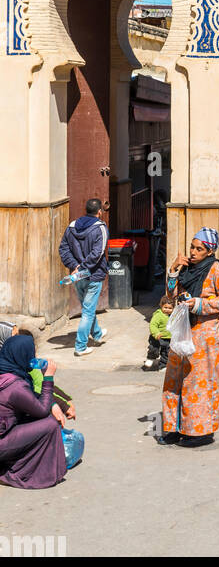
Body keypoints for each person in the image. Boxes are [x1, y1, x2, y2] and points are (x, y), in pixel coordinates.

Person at [161, 229, 219, 448]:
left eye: (198, 249)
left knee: (199, 383)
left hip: (206, 332)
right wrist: (173, 271)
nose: (192, 252)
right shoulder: (186, 270)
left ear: (209, 250)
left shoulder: (216, 269)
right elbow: (171, 295)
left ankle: (199, 432)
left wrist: (200, 304)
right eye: (192, 247)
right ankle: (173, 427)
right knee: (173, 380)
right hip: (184, 331)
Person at [0, 334, 67, 489]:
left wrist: (53, 404)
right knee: (50, 424)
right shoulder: (14, 385)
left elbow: (31, 401)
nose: (34, 358)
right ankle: (15, 473)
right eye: (32, 354)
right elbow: (42, 410)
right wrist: (48, 378)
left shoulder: (6, 373)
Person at [58, 196, 109, 357]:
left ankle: (98, 334)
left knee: (87, 308)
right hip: (92, 275)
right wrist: (82, 267)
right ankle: (80, 346)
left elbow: (63, 249)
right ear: (99, 212)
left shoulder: (71, 226)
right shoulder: (100, 228)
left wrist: (75, 267)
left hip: (76, 276)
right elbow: (98, 253)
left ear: (86, 210)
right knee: (87, 311)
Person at [142, 295, 174, 372]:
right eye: (165, 307)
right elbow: (153, 325)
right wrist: (156, 333)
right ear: (161, 306)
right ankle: (150, 358)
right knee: (154, 349)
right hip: (157, 337)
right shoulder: (158, 315)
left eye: (170, 308)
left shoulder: (173, 316)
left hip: (168, 338)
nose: (167, 310)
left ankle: (163, 366)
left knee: (166, 352)